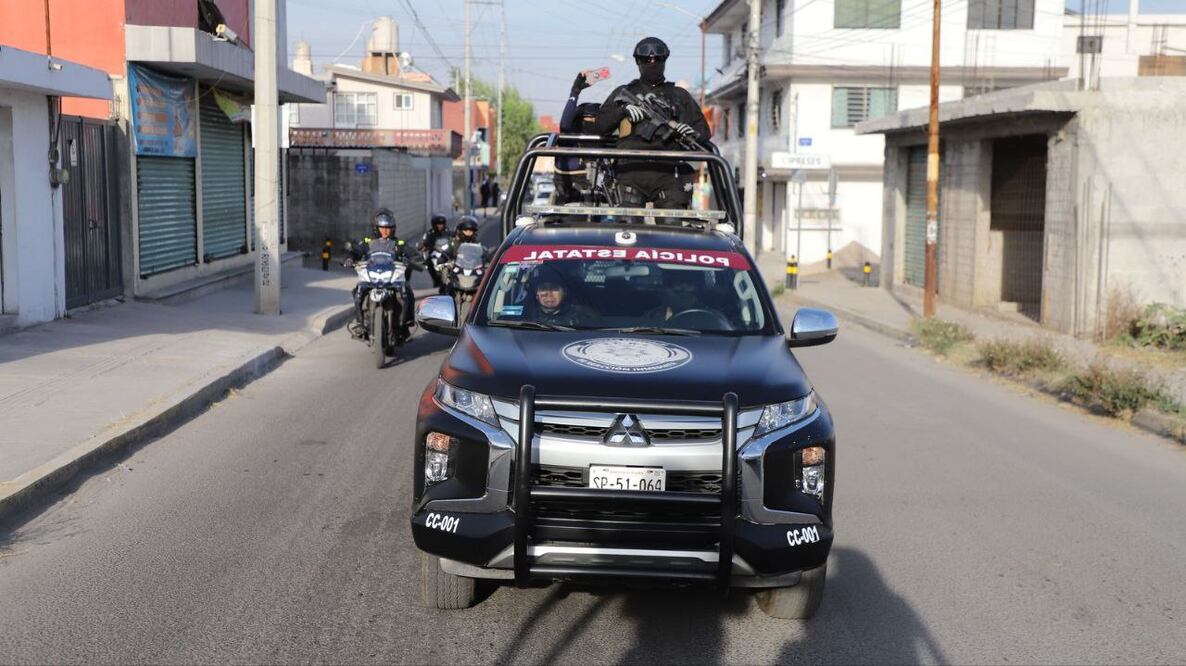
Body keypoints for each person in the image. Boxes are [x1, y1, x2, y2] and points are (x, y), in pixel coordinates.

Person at [586, 37, 711, 210]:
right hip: (631, 170)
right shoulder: (624, 93)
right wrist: (622, 111)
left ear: (664, 61)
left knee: (671, 224)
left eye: (657, 59)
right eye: (647, 60)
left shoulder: (679, 96)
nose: (652, 63)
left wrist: (690, 132)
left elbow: (703, 132)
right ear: (638, 62)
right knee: (628, 225)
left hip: (668, 171)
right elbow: (598, 127)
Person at [351, 208, 420, 340]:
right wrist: (350, 258)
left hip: (392, 277)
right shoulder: (368, 242)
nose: (385, 231)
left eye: (388, 228)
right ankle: (360, 323)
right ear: (376, 228)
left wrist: (414, 260)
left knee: (407, 291)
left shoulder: (398, 243)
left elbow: (413, 254)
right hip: (372, 275)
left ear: (393, 229)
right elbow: (356, 252)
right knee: (358, 290)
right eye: (382, 228)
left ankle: (405, 324)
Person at [554, 72, 602, 204]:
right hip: (569, 197)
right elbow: (565, 124)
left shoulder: (602, 139)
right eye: (590, 117)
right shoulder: (569, 140)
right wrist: (575, 92)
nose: (594, 121)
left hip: (599, 199)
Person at [419, 214, 452, 291]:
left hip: (447, 252)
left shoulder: (448, 232)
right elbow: (423, 242)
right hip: (435, 253)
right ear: (434, 224)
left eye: (442, 224)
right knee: (428, 262)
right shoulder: (430, 233)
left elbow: (454, 239)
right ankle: (436, 280)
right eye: (438, 224)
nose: (440, 226)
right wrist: (423, 245)